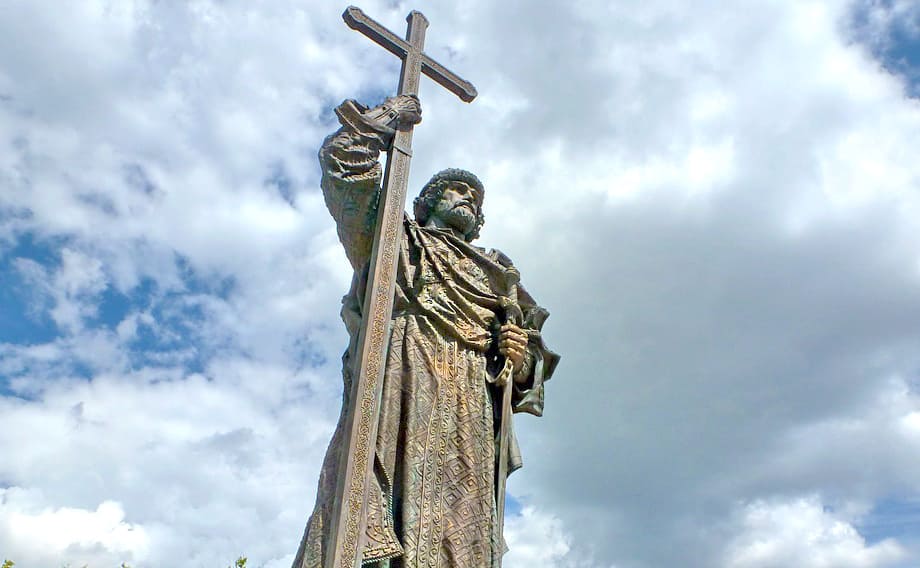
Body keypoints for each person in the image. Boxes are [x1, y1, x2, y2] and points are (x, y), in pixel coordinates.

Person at [294, 94, 559, 568]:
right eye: (456, 190)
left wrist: (516, 360)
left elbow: (528, 365)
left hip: (468, 402)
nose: (468, 198)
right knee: (378, 500)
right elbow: (346, 179)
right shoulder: (397, 241)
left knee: (460, 528)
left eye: (474, 197)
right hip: (403, 378)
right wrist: (379, 124)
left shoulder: (498, 277)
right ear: (428, 201)